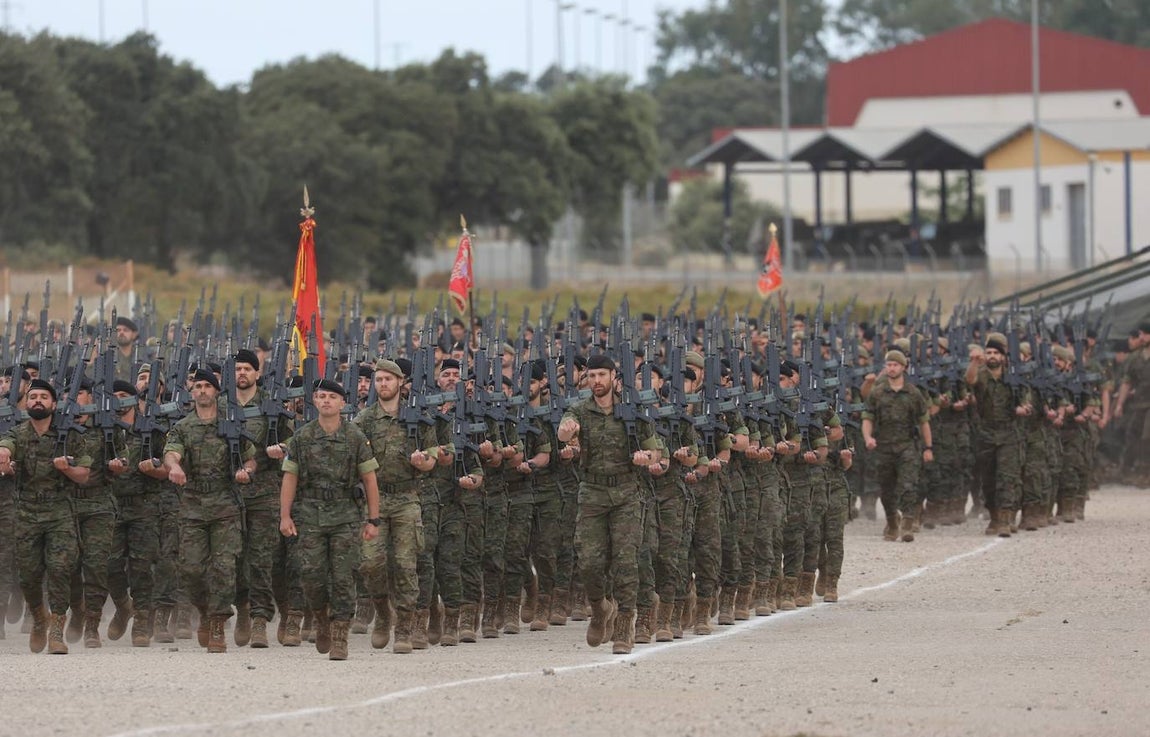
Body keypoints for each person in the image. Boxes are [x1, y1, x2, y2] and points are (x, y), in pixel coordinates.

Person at [558, 354, 663, 655]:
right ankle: (600, 607)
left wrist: (647, 458)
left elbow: (656, 451)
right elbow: (565, 430)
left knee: (626, 562)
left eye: (602, 375)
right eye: (592, 376)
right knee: (590, 562)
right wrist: (567, 432)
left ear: (615, 377)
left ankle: (624, 627)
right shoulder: (579, 409)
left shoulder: (632, 411)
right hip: (592, 492)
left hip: (627, 493)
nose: (596, 381)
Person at [278, 379, 381, 661]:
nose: (326, 401)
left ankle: (339, 634)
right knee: (311, 575)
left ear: (342, 403)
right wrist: (285, 515)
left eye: (332, 397)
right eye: (321, 396)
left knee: (343, 576)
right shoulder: (302, 436)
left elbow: (370, 479)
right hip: (309, 513)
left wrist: (373, 519)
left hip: (345, 515)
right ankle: (321, 618)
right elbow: (290, 477)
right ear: (314, 400)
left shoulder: (355, 436)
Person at [163, 369, 256, 653]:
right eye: (198, 386)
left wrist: (246, 471)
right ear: (192, 392)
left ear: (216, 391)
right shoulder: (184, 427)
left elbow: (251, 458)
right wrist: (175, 467)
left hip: (225, 504)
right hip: (193, 505)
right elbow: (171, 452)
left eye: (207, 386)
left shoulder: (232, 424)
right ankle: (204, 611)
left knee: (225, 567)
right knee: (191, 569)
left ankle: (217, 623)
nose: (202, 390)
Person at [353, 359, 441, 654]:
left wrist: (424, 462)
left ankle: (404, 625)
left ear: (401, 383)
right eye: (378, 380)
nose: (382, 385)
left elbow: (432, 457)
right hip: (375, 501)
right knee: (370, 564)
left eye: (388, 380)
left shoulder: (418, 417)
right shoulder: (364, 420)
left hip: (406, 499)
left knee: (406, 565)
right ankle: (382, 611)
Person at [0, 379, 91, 654]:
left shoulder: (70, 435)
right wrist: (4, 453)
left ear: (53, 404)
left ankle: (56, 630)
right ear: (26, 404)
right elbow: (6, 444)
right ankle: (39, 616)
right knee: (28, 575)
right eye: (33, 397)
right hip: (27, 512)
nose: (37, 400)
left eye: (43, 397)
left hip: (59, 512)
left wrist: (66, 469)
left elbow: (84, 475)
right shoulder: (18, 432)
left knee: (60, 569)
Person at [862, 350, 933, 542]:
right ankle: (893, 522)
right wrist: (868, 437)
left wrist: (928, 447)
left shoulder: (913, 393)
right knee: (887, 488)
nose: (892, 368)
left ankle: (908, 524)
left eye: (895, 365)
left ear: (903, 367)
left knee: (909, 485)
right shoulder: (877, 393)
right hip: (884, 447)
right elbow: (868, 418)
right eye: (889, 365)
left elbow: (924, 421)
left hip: (907, 446)